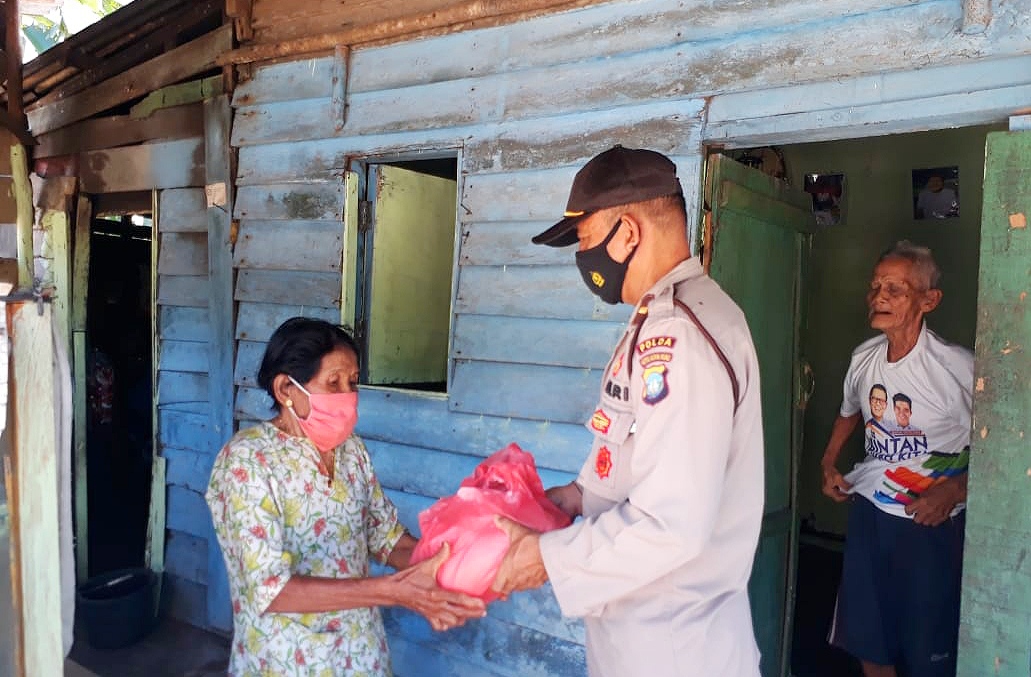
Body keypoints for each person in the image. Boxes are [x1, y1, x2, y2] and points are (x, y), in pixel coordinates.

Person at [490, 146, 766, 676]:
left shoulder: (679, 334)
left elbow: (672, 524)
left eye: (587, 240)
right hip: (643, 639)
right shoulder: (656, 319)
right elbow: (638, 460)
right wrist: (570, 499)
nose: (583, 257)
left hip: (677, 649)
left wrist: (543, 558)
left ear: (629, 232)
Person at [206, 317, 485, 676]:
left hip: (360, 653)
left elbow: (384, 536)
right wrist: (392, 591)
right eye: (332, 382)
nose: (347, 396)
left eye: (352, 383)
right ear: (285, 390)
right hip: (286, 658)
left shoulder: (351, 451)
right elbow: (270, 590)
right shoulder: (247, 462)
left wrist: (450, 566)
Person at [820, 241, 973, 677]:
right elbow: (849, 412)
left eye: (895, 289)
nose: (879, 297)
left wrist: (957, 488)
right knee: (870, 641)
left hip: (931, 525)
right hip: (871, 513)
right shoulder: (864, 358)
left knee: (929, 650)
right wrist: (828, 462)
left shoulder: (956, 368)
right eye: (875, 286)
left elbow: (1007, 438)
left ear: (929, 300)